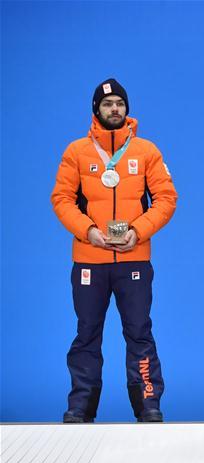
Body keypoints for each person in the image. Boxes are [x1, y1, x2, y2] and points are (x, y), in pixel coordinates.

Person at [51, 78, 177, 422]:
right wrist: (88, 231)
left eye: (119, 103)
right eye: (107, 104)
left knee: (139, 332)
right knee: (86, 334)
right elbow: (61, 200)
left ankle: (148, 403)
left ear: (127, 109)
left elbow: (166, 199)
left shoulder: (146, 151)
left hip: (134, 259)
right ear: (96, 110)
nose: (114, 109)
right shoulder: (76, 152)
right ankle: (80, 406)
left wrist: (138, 231)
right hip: (89, 260)